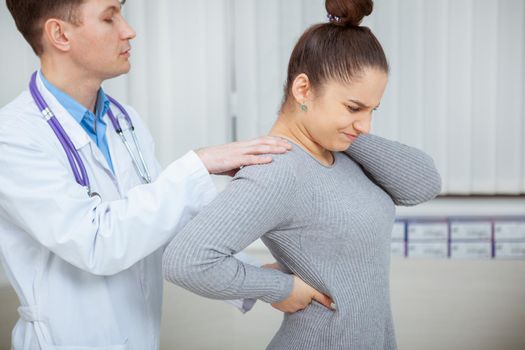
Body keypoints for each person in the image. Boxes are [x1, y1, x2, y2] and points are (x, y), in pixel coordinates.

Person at [0, 0, 297, 349]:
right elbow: (97, 243)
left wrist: (258, 278)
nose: (129, 30)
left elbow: (160, 227)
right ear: (59, 34)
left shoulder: (125, 122)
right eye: (110, 17)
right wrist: (197, 165)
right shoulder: (13, 137)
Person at [162, 0, 442, 349]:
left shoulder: (341, 150)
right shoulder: (278, 169)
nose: (366, 124)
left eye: (372, 109)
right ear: (303, 90)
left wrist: (347, 131)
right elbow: (186, 261)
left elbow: (424, 183)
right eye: (354, 107)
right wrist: (280, 288)